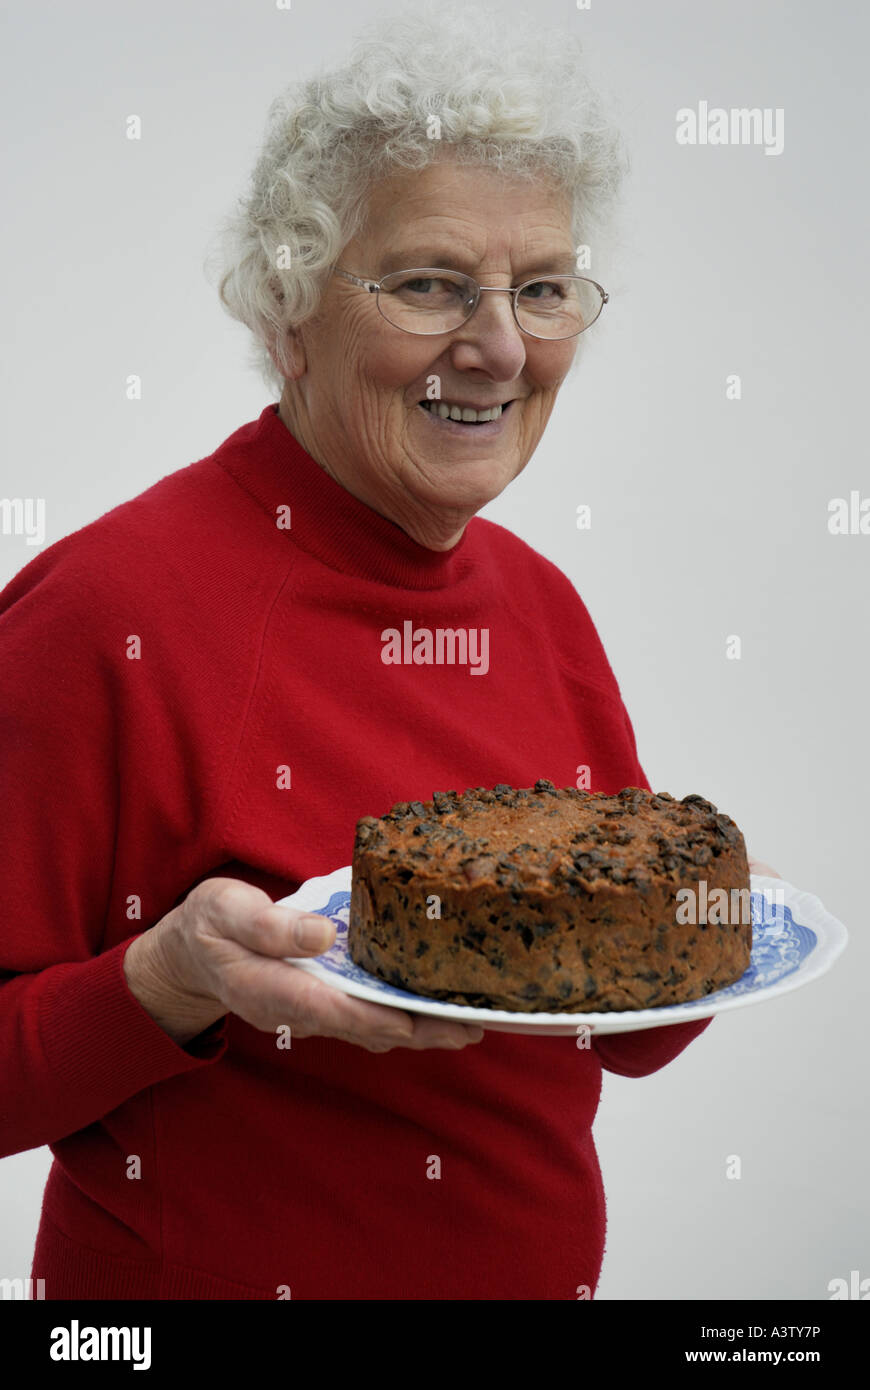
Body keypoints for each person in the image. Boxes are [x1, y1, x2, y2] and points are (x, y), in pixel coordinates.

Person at [0, 3, 771, 1299]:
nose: (499, 345)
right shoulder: (102, 609)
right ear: (290, 305)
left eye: (539, 288)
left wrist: (710, 921)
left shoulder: (539, 603)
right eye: (427, 283)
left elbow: (627, 1025)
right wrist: (166, 977)